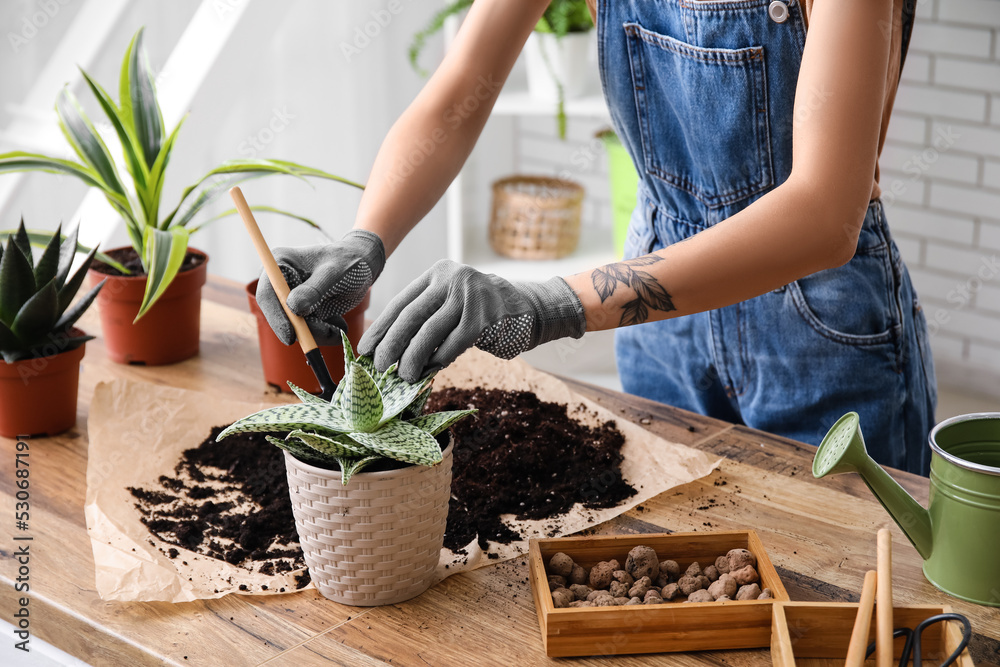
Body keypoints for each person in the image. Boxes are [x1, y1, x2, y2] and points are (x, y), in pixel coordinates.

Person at [257, 0, 936, 476]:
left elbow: (825, 214)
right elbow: (461, 89)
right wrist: (366, 241)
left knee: (843, 597)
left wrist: (553, 302)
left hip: (819, 334)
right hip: (662, 333)